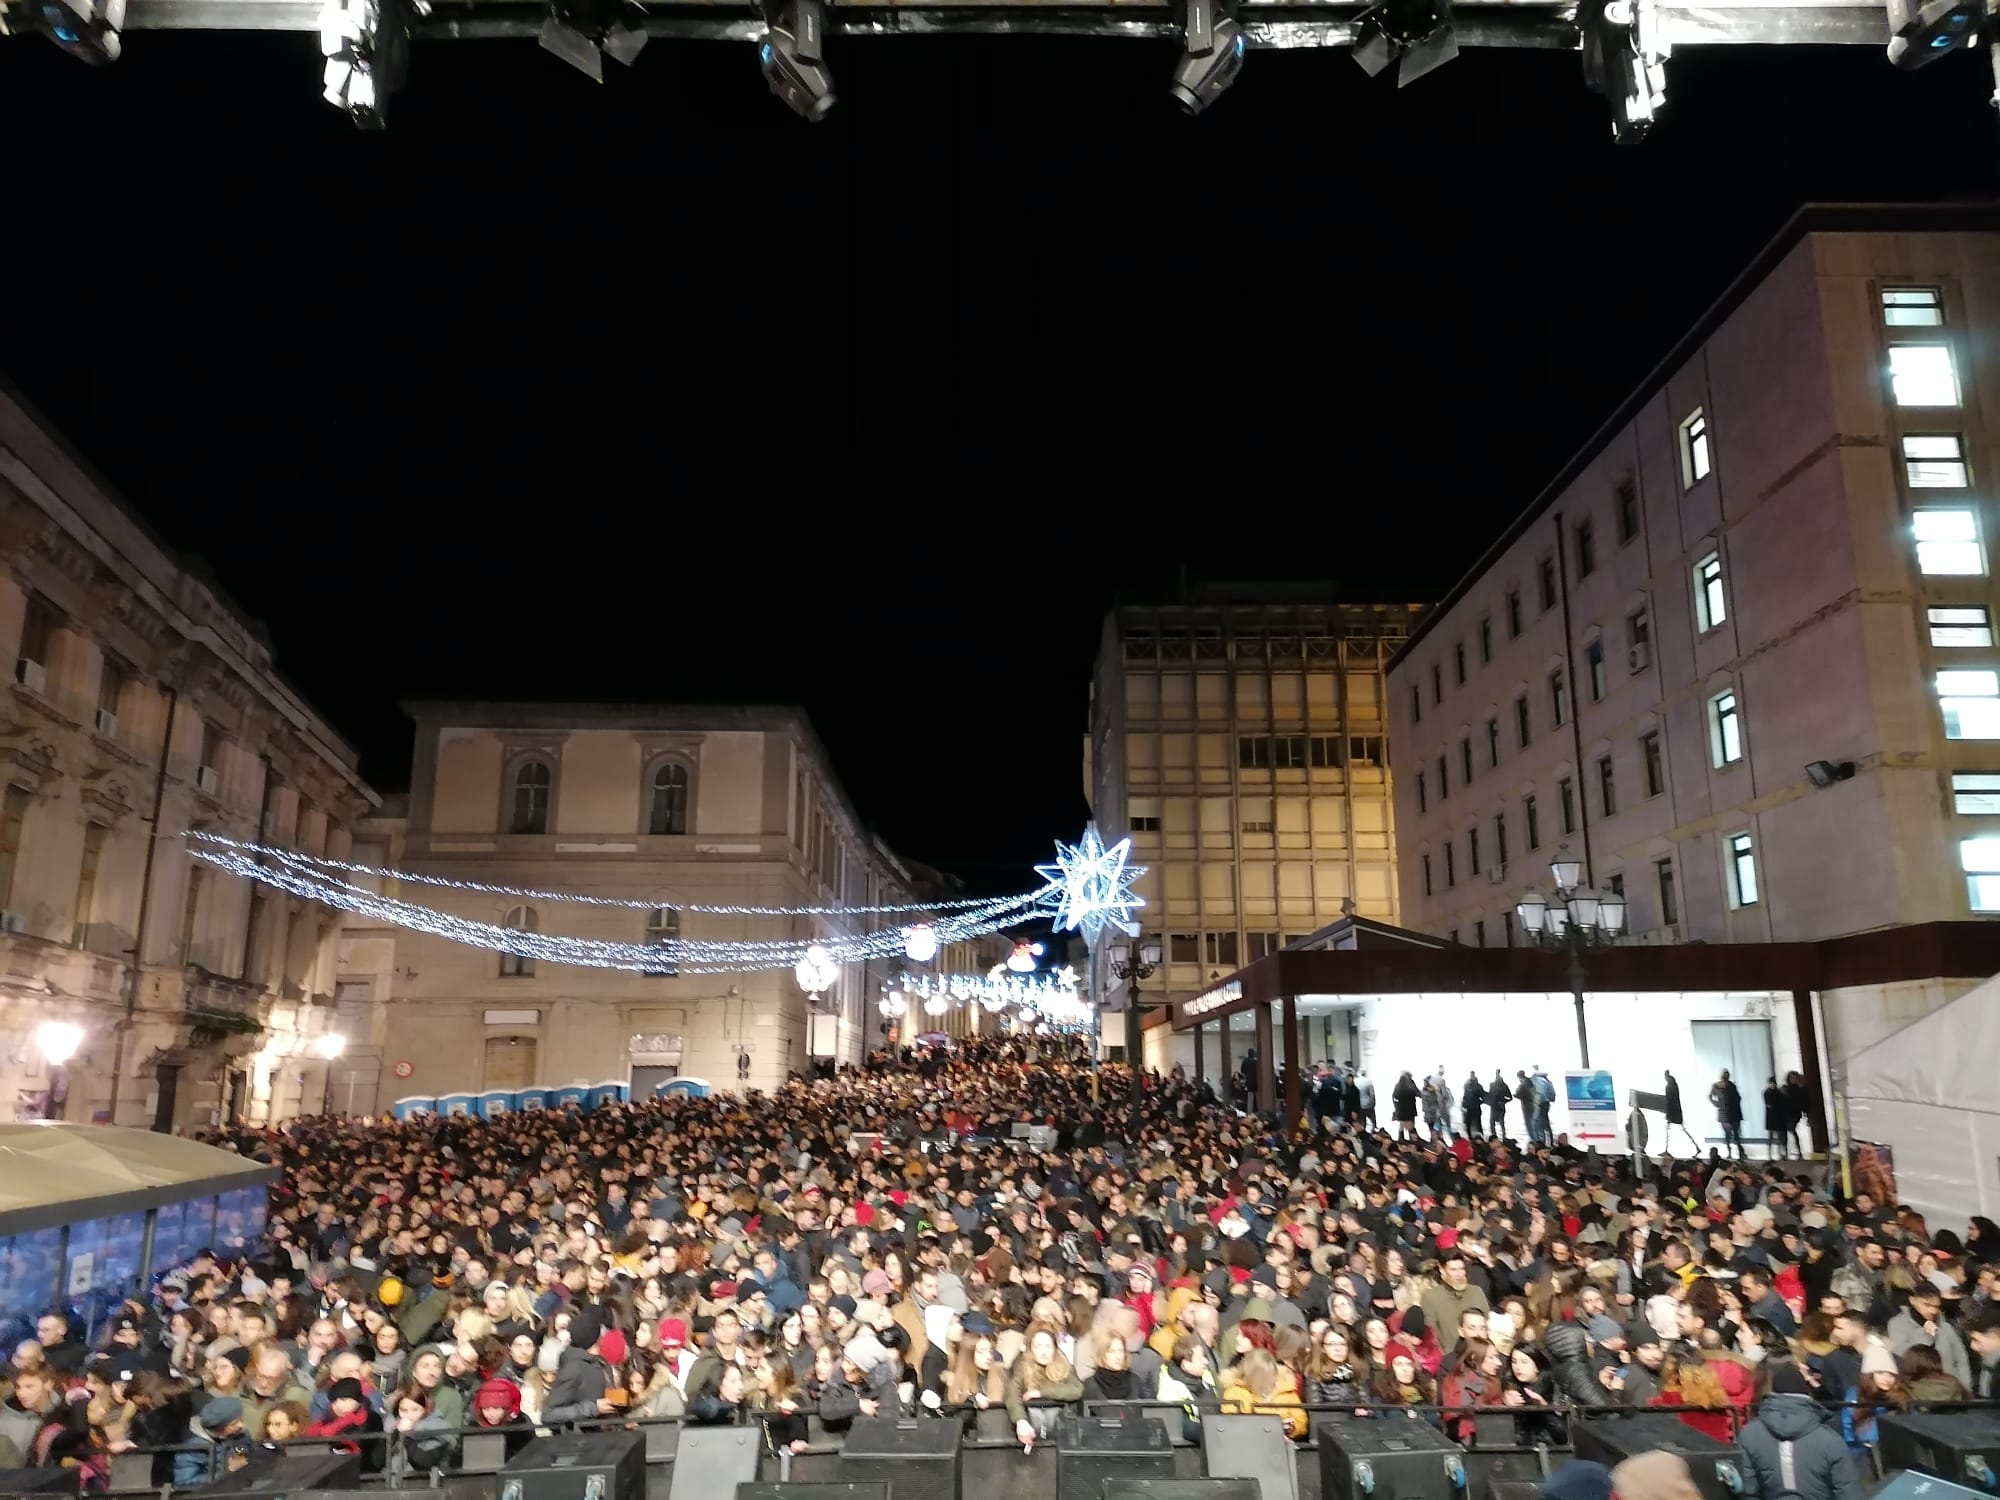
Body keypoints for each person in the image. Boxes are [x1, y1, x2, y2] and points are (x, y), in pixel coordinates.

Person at [1736, 1363, 1863, 1500]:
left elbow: (1748, 1488)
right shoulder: (1829, 1439)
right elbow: (1848, 1490)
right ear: (1806, 1394)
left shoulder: (1750, 1433)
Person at [1710, 1070, 1746, 1158]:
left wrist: (1718, 1104)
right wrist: (1718, 1104)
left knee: (1733, 1134)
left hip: (1731, 1114)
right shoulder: (1718, 1087)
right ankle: (1733, 1152)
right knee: (1730, 1134)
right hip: (1726, 1114)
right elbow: (1710, 1096)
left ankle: (1737, 1152)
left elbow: (1738, 1098)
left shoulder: (1730, 1086)